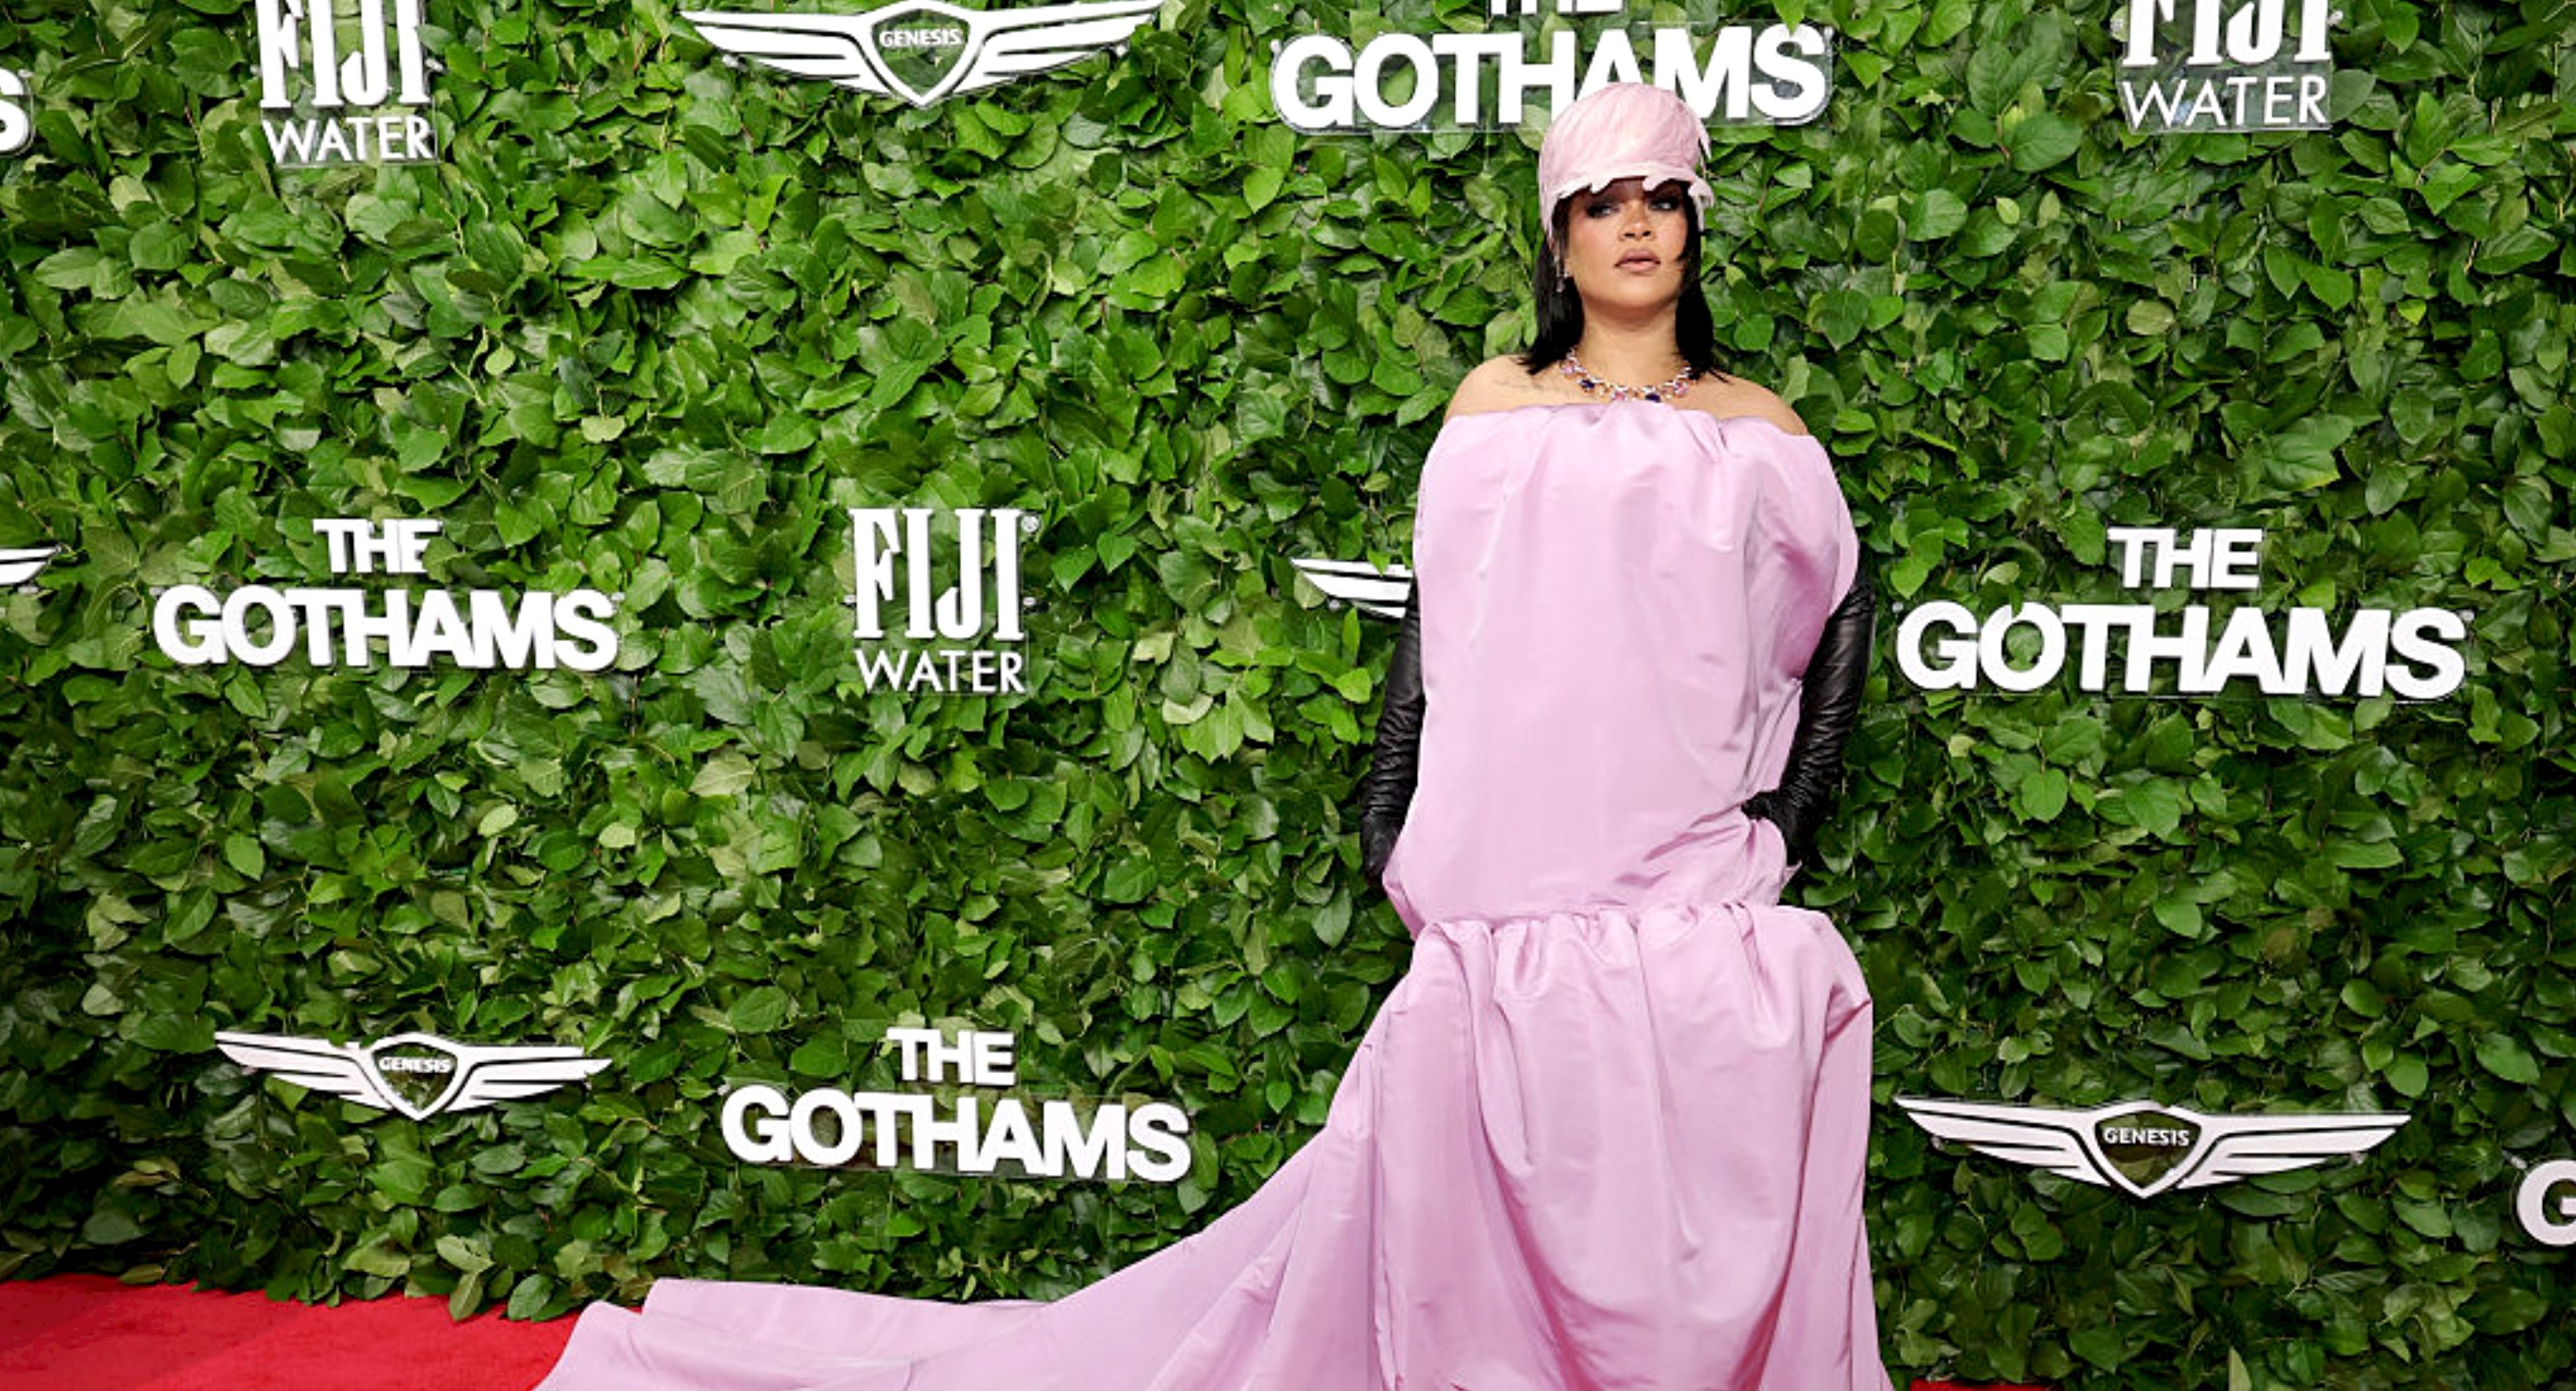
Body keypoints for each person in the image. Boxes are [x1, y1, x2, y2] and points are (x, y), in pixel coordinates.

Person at [533, 81, 1888, 1391]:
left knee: (1664, 1184)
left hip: (1678, 865)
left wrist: (1789, 815)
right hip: (1515, 869)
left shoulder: (1758, 425)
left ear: (1696, 222)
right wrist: (1391, 796)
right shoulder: (1493, 406)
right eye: (1602, 200)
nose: (1636, 223)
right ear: (1558, 235)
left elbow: (1835, 607)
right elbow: (1446, 615)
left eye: (1663, 196)